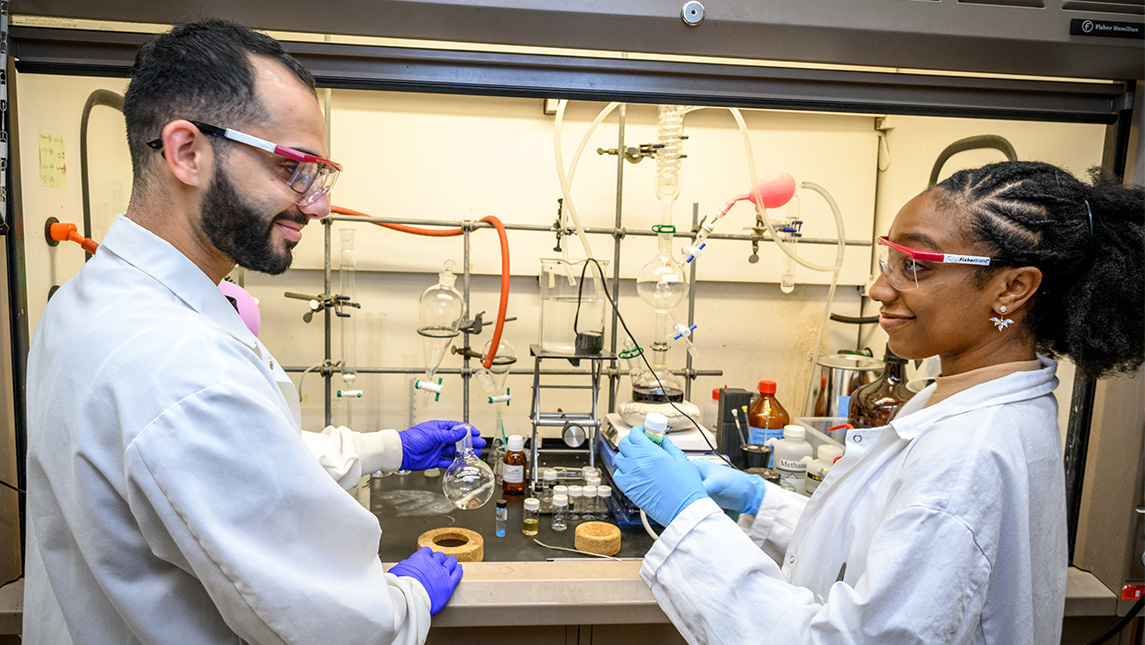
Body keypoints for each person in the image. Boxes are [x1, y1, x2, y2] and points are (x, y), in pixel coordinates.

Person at [24, 20, 484, 644]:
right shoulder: (181, 365)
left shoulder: (86, 301)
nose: (317, 204)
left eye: (322, 174)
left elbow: (240, 467)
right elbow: (332, 629)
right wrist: (403, 601)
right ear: (188, 152)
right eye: (294, 167)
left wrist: (388, 450)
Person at [614, 161, 1144, 644]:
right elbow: (882, 552)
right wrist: (762, 502)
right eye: (890, 258)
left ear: (1012, 288)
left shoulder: (969, 455)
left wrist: (689, 520)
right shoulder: (957, 398)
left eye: (915, 266)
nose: (879, 287)